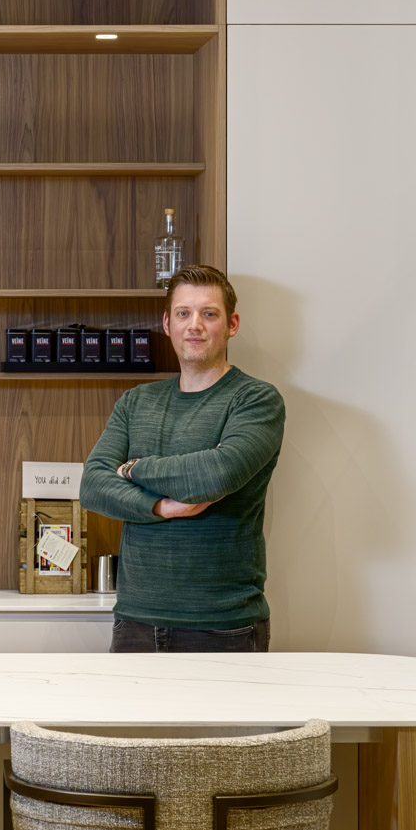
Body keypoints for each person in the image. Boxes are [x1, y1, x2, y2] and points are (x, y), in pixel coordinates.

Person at [78, 265, 285, 653]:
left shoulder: (256, 399)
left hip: (225, 626)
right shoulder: (136, 401)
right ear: (167, 324)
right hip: (136, 621)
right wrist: (161, 506)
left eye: (209, 313)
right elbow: (92, 486)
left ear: (232, 324)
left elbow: (215, 475)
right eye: (183, 313)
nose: (195, 325)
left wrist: (132, 468)